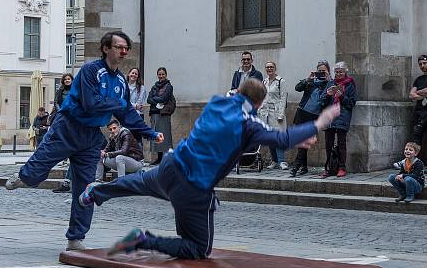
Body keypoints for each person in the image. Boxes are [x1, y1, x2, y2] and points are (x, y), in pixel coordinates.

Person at [79, 79, 340, 258]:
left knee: (136, 183)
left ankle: (97, 191)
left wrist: (299, 135)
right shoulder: (249, 123)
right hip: (192, 185)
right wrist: (319, 122)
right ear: (259, 104)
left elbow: (238, 114)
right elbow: (280, 139)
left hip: (171, 164)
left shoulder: (218, 102)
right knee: (198, 248)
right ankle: (142, 240)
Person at [5, 31, 163, 251]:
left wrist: (149, 132)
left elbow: (127, 112)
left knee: (86, 189)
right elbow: (91, 103)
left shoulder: (120, 81)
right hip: (68, 126)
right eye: (119, 47)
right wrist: (117, 104)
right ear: (106, 48)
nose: (123, 51)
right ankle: (24, 176)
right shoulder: (91, 70)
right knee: (39, 167)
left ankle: (76, 237)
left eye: (126, 47)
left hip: (91, 136)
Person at [290, 60, 330, 177]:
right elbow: (297, 88)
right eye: (319, 71)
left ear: (328, 71)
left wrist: (328, 82)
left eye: (324, 71)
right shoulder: (311, 81)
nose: (321, 73)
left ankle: (296, 167)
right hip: (302, 114)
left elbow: (327, 101)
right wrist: (308, 78)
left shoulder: (329, 84)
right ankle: (304, 167)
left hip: (314, 116)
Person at [319, 61, 357, 178]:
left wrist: (341, 96)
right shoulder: (330, 83)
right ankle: (329, 168)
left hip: (342, 116)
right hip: (330, 117)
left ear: (345, 72)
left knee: (341, 144)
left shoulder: (350, 84)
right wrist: (327, 95)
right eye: (336, 72)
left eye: (341, 72)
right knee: (328, 144)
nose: (338, 74)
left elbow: (351, 103)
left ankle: (341, 167)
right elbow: (321, 101)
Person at [259, 61, 288, 170]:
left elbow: (283, 98)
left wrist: (280, 114)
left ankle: (282, 161)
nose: (269, 69)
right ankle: (274, 161)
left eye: (271, 67)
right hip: (265, 113)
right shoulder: (264, 81)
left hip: (276, 113)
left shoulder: (281, 81)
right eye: (267, 67)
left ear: (275, 68)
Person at [50, 74, 74, 194]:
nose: (67, 81)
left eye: (69, 79)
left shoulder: (76, 90)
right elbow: (56, 103)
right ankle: (68, 182)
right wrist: (62, 112)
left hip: (74, 120)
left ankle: (68, 183)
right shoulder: (60, 91)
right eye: (65, 79)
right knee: (72, 154)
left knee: (74, 155)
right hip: (63, 119)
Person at [409, 54, 427, 163]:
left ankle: (420, 159)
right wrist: (423, 94)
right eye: (420, 64)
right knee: (416, 134)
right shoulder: (419, 79)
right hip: (418, 110)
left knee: (422, 133)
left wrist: (418, 93)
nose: (422, 66)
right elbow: (411, 95)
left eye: (424, 63)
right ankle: (414, 158)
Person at [147, 67, 174, 165]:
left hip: (163, 114)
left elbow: (164, 98)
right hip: (154, 113)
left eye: (163, 74)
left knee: (165, 136)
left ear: (166, 75)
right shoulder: (154, 86)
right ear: (157, 75)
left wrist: (154, 98)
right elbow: (148, 99)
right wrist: (156, 99)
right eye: (159, 74)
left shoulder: (169, 86)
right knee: (156, 135)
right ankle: (159, 158)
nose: (161, 76)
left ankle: (165, 158)